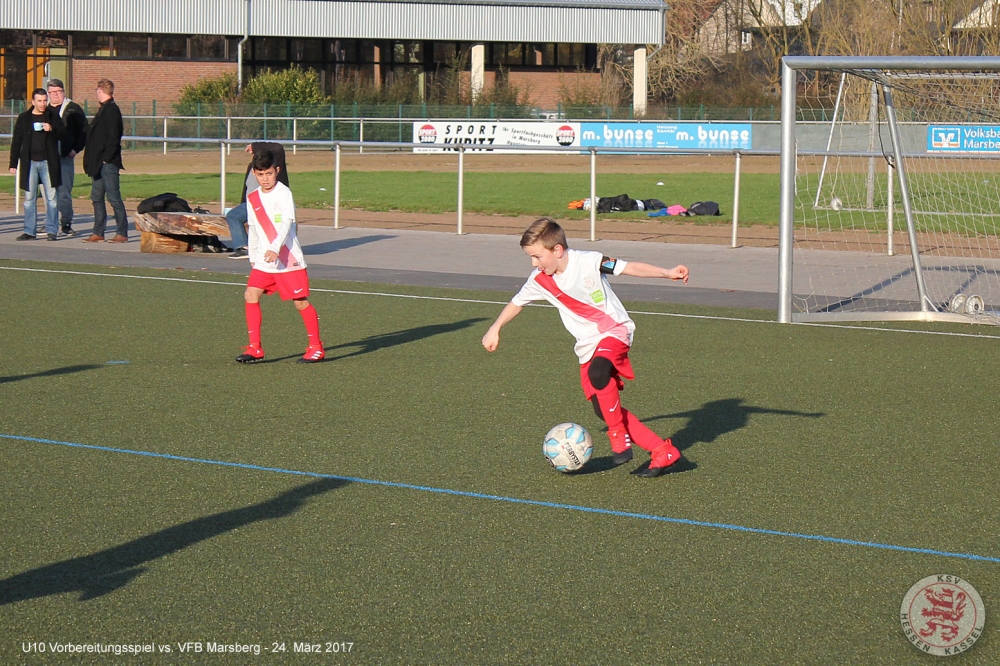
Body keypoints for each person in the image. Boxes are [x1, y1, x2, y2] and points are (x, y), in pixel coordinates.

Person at [482, 218, 691, 477]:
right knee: (604, 410)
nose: (534, 263)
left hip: (615, 331)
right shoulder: (540, 280)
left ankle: (618, 437)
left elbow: (628, 267)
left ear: (557, 250)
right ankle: (662, 450)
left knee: (599, 372)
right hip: (587, 345)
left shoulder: (590, 261)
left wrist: (666, 272)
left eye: (537, 256)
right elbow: (517, 302)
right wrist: (495, 327)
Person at [235, 148, 324, 364]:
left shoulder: (284, 193)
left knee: (300, 302)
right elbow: (253, 228)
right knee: (250, 295)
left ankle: (316, 347)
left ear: (277, 170)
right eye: (260, 174)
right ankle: (255, 348)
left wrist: (275, 248)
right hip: (264, 262)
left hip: (288, 259)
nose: (265, 179)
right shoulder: (253, 197)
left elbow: (286, 223)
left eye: (269, 173)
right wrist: (253, 257)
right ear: (254, 174)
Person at [7, 88, 69, 241]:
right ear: (33, 101)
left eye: (44, 100)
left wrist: (51, 129)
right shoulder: (24, 118)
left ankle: (52, 230)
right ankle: (29, 231)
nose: (42, 104)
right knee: (29, 199)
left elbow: (64, 135)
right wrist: (13, 163)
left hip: (48, 163)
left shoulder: (52, 116)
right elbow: (17, 141)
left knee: (52, 198)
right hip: (30, 163)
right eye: (39, 101)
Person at [82, 78, 129, 243]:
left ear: (100, 90)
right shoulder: (104, 109)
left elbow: (114, 137)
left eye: (97, 90)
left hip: (107, 163)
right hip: (98, 163)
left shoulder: (112, 110)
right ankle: (98, 231)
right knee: (97, 197)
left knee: (114, 198)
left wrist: (106, 158)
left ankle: (122, 232)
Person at [227, 142, 289, 259]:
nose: (264, 177)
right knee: (236, 217)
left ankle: (246, 247)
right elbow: (247, 189)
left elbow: (278, 148)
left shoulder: (273, 166)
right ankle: (247, 247)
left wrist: (255, 146)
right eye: (260, 174)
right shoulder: (252, 168)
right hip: (251, 203)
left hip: (268, 202)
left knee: (235, 217)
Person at [47, 79, 88, 237]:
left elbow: (84, 131)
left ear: (63, 92)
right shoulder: (44, 109)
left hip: (65, 156)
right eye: (52, 92)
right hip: (47, 157)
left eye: (58, 92)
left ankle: (66, 223)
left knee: (64, 191)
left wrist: (75, 149)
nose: (55, 95)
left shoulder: (73, 109)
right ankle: (50, 223)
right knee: (48, 192)